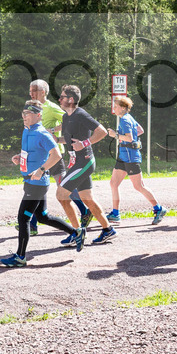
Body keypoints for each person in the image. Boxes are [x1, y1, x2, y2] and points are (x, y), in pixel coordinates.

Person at [1, 101, 86, 267]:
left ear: (38, 116)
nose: (24, 116)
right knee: (42, 216)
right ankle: (76, 232)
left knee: (23, 218)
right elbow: (32, 152)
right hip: (30, 182)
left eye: (28, 114)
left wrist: (41, 169)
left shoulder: (42, 133)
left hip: (37, 184)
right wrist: (20, 157)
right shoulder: (27, 131)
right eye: (23, 113)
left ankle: (20, 257)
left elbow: (56, 156)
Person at [27, 79, 91, 235]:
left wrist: (53, 130)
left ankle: (84, 210)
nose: (30, 93)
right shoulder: (32, 106)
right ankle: (33, 224)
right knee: (37, 184)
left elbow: (68, 119)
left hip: (53, 153)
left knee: (62, 185)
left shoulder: (51, 107)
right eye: (30, 90)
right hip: (38, 154)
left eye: (33, 91)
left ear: (43, 92)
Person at [55, 84, 116, 245]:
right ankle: (108, 229)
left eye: (62, 97)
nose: (59, 99)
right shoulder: (66, 117)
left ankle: (76, 233)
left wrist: (85, 143)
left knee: (61, 195)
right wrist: (55, 139)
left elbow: (101, 131)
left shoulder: (81, 114)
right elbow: (67, 140)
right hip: (75, 162)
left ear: (71, 99)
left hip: (84, 162)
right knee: (87, 198)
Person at [106, 96, 166, 224]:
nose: (114, 108)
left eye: (116, 106)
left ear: (122, 108)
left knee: (139, 186)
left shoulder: (125, 120)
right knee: (113, 184)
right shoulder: (129, 118)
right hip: (123, 156)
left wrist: (115, 135)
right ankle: (115, 214)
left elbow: (130, 138)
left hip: (130, 158)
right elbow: (140, 130)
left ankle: (158, 208)